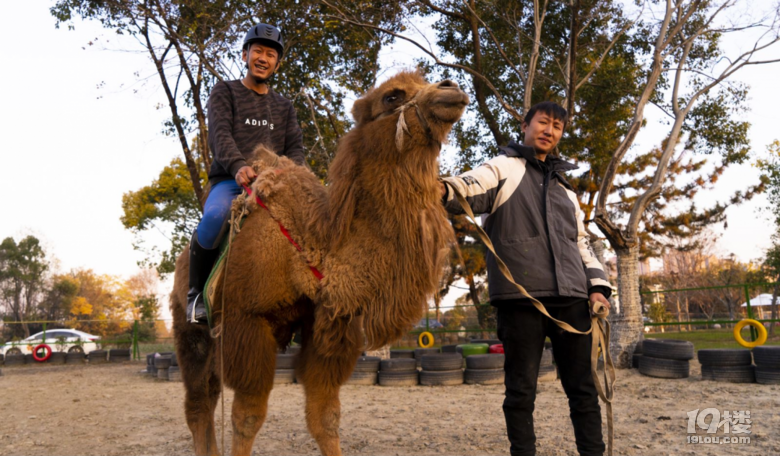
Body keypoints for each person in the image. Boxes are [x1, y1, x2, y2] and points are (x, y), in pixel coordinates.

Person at [440, 101, 613, 456]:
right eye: (543, 123)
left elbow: (580, 242)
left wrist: (596, 288)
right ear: (525, 124)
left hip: (572, 298)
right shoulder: (504, 166)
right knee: (520, 390)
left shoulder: (567, 189)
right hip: (521, 299)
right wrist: (440, 189)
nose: (550, 131)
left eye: (557, 127)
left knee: (583, 388)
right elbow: (467, 187)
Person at [186, 23, 305, 324]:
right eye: (258, 51)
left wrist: (293, 179)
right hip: (231, 180)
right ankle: (195, 294)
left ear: (278, 63)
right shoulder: (225, 91)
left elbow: (296, 152)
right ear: (245, 55)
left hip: (274, 186)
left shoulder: (284, 106)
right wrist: (239, 166)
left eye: (270, 54)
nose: (263, 58)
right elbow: (220, 136)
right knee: (215, 217)